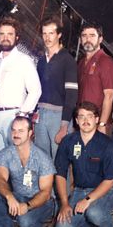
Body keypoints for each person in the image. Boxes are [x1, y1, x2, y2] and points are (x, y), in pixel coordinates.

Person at [54, 102, 113, 227]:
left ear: (97, 119)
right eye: (81, 117)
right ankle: (91, 224)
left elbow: (110, 180)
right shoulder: (68, 141)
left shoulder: (107, 144)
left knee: (94, 212)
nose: (85, 121)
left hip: (105, 192)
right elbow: (60, 174)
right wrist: (65, 203)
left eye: (89, 116)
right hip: (79, 191)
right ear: (76, 120)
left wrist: (88, 200)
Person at [0, 115, 55, 227]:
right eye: (14, 130)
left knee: (26, 223)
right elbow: (0, 178)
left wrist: (27, 206)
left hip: (41, 202)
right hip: (18, 196)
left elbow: (45, 193)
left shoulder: (42, 158)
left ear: (30, 133)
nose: (16, 134)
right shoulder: (5, 154)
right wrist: (9, 196)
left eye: (21, 131)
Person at [0, 17, 41, 154]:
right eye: (2, 34)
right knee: (0, 159)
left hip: (13, 117)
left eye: (10, 34)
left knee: (16, 159)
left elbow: (35, 91)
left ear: (17, 37)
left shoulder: (24, 60)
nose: (5, 38)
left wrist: (23, 115)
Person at [34, 15, 77, 160]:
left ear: (59, 35)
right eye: (44, 33)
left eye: (51, 33)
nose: (47, 37)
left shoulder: (68, 59)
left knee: (60, 163)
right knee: (42, 161)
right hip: (41, 115)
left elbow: (71, 95)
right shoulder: (40, 60)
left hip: (58, 116)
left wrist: (64, 125)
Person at [77, 22, 113, 135]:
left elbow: (109, 95)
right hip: (83, 122)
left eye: (92, 35)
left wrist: (102, 124)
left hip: (98, 124)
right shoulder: (81, 63)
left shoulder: (105, 61)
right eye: (84, 35)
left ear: (100, 39)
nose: (88, 39)